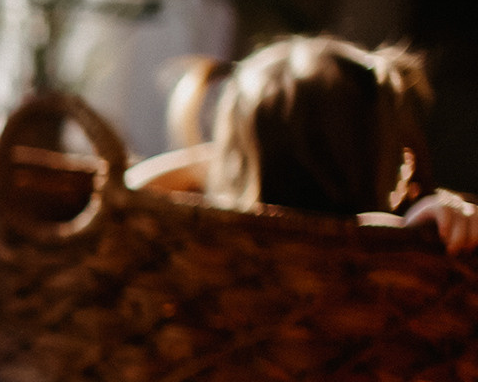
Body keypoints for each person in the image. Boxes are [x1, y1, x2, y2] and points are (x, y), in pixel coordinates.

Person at [141, 36, 477, 252]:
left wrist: (217, 159)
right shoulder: (370, 238)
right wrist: (432, 214)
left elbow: (129, 193)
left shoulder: (211, 238)